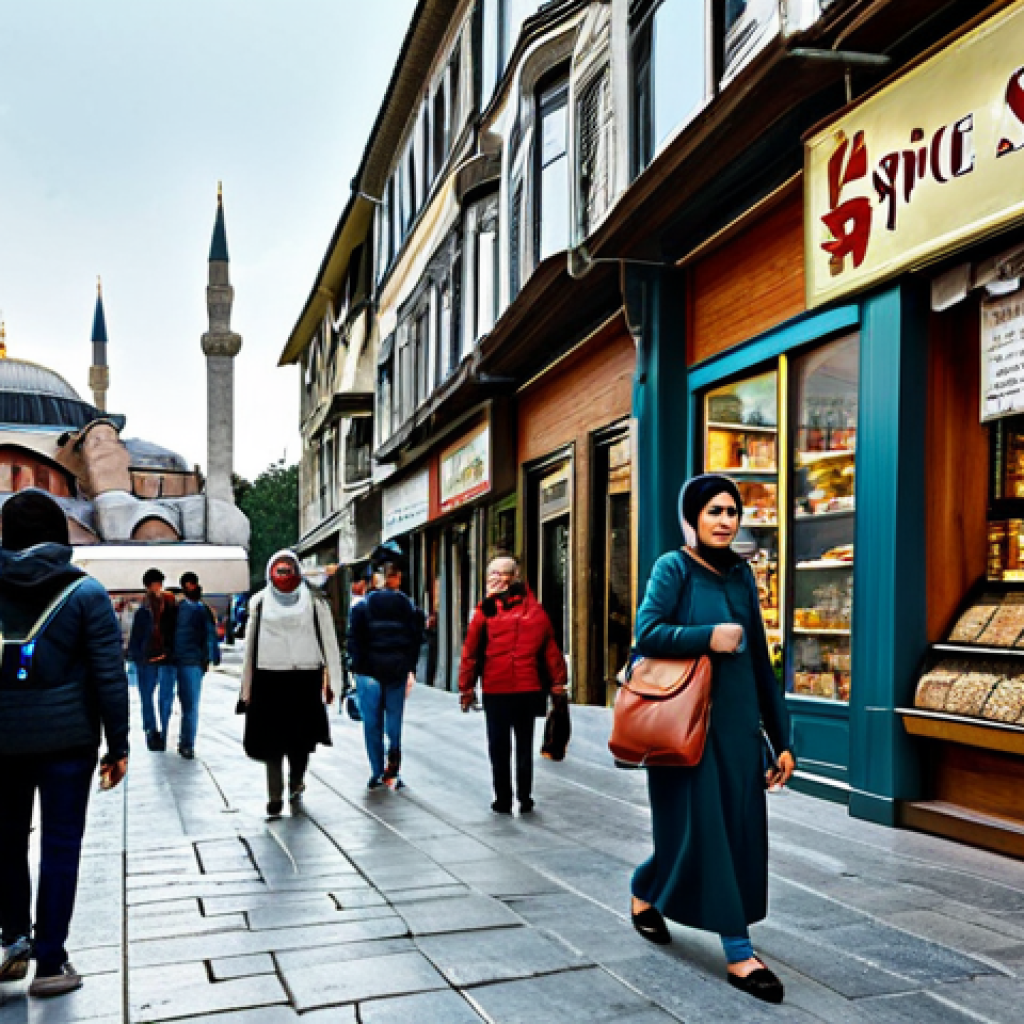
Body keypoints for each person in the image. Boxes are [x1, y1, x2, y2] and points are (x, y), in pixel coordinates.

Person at [629, 474, 795, 1005]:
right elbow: (647, 633)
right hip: (685, 729)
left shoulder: (742, 576)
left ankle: (643, 888)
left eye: (732, 511)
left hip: (739, 732)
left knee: (733, 833)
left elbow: (762, 664)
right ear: (692, 518)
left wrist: (780, 738)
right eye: (714, 512)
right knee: (707, 833)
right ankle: (739, 951)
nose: (725, 521)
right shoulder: (672, 568)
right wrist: (708, 637)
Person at [0, 490, 129, 998]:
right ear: (59, 534)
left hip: (2, 741)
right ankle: (50, 962)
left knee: (6, 841)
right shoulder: (87, 593)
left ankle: (13, 940)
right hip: (68, 743)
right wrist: (117, 746)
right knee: (59, 847)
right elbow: (108, 677)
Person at [458, 556, 567, 814]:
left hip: (497, 689)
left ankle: (503, 799)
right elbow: (551, 651)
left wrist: (466, 688)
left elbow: (470, 652)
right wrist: (558, 684)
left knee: (499, 745)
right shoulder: (535, 610)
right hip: (528, 689)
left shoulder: (484, 611)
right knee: (524, 743)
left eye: (495, 574)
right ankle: (525, 798)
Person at [238, 551, 342, 818]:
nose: (283, 576)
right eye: (279, 570)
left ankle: (296, 781)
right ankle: (274, 796)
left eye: (288, 570)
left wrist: (334, 682)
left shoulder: (316, 603)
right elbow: (250, 649)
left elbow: (329, 643)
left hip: (304, 680)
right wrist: (246, 690)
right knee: (271, 743)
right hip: (268, 680)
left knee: (300, 741)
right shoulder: (259, 603)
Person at [347, 546, 424, 790]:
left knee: (372, 724)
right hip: (397, 671)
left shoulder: (361, 608)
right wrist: (409, 667)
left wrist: (356, 669)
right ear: (396, 578)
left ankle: (376, 771)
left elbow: (354, 642)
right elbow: (415, 639)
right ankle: (394, 760)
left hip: (369, 673)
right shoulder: (408, 607)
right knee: (394, 720)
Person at [169, 572, 221, 760]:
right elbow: (209, 635)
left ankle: (184, 743)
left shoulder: (178, 608)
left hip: (180, 661)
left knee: (182, 704)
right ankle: (186, 744)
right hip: (191, 662)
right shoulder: (200, 609)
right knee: (190, 706)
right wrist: (212, 657)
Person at [127, 567, 178, 751]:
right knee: (147, 697)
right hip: (147, 658)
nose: (157, 587)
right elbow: (136, 635)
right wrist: (136, 656)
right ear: (148, 586)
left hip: (165, 657)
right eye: (154, 584)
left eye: (159, 584)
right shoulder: (143, 609)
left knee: (164, 698)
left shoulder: (170, 603)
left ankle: (162, 732)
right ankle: (151, 731)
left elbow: (174, 630)